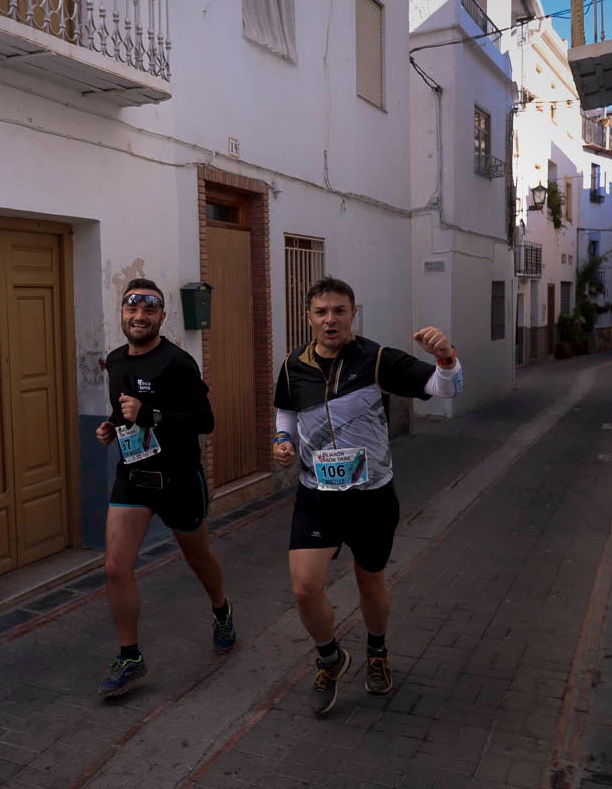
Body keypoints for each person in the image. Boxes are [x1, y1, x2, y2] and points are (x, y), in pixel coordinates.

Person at [273, 276, 463, 716]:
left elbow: (444, 388)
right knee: (304, 588)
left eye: (339, 311)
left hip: (370, 497)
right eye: (321, 312)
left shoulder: (376, 359)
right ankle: (330, 657)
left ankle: (376, 652)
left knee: (370, 583)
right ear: (308, 318)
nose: (330, 320)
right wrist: (283, 439)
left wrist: (446, 358)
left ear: (353, 315)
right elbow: (285, 408)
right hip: (316, 493)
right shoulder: (292, 366)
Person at [94, 278, 236, 699]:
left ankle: (221, 608)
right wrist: (111, 427)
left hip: (177, 480)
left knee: (199, 558)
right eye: (132, 309)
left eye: (149, 310)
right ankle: (130, 655)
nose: (139, 317)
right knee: (115, 567)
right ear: (122, 313)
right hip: (133, 477)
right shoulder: (115, 361)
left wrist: (150, 414)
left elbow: (204, 421)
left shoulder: (177, 363)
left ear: (161, 317)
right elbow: (124, 413)